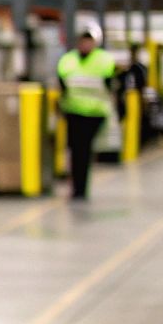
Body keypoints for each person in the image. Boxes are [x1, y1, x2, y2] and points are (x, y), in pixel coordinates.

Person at [57, 22, 117, 200]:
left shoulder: (104, 60)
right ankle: (77, 188)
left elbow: (110, 85)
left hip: (94, 114)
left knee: (84, 151)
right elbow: (62, 86)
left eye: (88, 41)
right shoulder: (67, 61)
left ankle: (81, 188)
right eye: (82, 40)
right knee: (75, 151)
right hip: (73, 113)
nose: (85, 44)